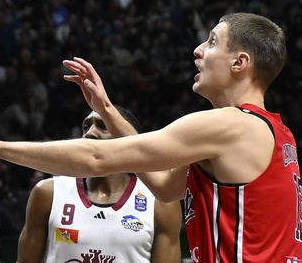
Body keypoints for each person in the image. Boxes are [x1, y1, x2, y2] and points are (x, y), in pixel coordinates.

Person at [0, 15, 302, 262]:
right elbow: (165, 186)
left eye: (211, 42)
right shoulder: (276, 131)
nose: (198, 50)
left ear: (239, 63)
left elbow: (97, 158)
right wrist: (107, 111)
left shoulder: (229, 126)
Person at [17, 106, 181, 263]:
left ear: (128, 139)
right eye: (86, 126)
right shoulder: (48, 192)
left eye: (104, 126)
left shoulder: (159, 201)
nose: (90, 133)